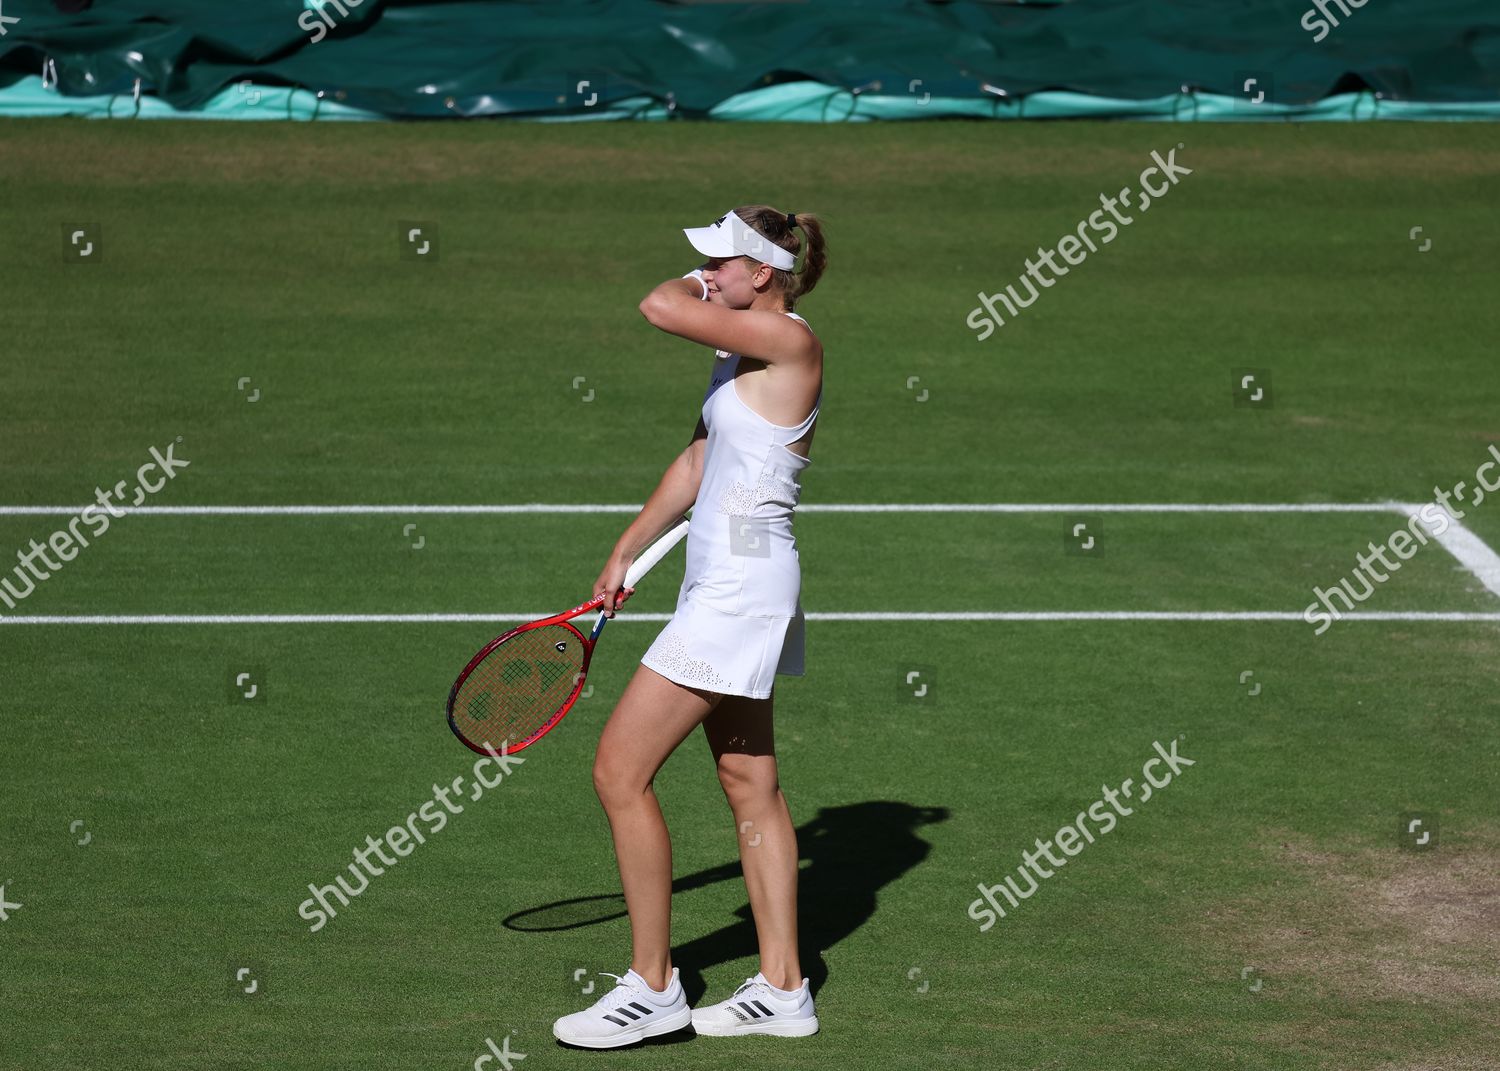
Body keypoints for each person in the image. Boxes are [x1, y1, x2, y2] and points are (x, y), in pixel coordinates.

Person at [551, 206, 828, 1048]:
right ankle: (783, 988)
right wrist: (626, 551)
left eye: (722, 263)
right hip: (725, 582)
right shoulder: (738, 349)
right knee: (750, 784)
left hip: (741, 592)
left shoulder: (792, 343)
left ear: (765, 275)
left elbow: (658, 304)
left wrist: (694, 289)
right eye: (704, 264)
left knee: (618, 770)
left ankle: (653, 986)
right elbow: (700, 459)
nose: (706, 273)